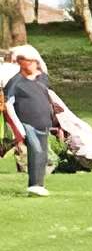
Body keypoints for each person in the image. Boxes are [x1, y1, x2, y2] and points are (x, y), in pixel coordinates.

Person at [5, 44, 53, 198]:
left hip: (44, 122)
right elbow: (8, 104)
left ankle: (39, 184)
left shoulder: (42, 79)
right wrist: (18, 126)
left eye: (34, 61)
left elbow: (43, 66)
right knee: (36, 152)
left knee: (43, 155)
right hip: (27, 124)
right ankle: (35, 186)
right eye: (29, 61)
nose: (34, 64)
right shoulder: (16, 82)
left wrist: (30, 51)